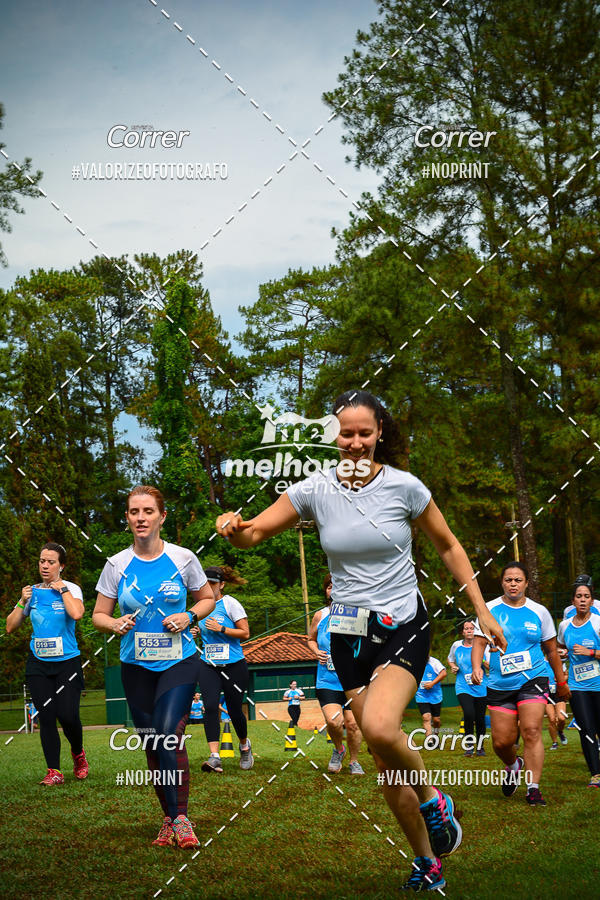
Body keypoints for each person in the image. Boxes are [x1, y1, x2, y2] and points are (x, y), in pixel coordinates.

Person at [216, 389, 506, 893]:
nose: (353, 443)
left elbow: (448, 544)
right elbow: (255, 533)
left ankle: (436, 800)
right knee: (381, 755)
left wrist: (481, 609)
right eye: (345, 434)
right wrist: (233, 529)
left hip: (401, 625)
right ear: (334, 436)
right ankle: (425, 858)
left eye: (363, 433)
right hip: (349, 633)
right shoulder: (314, 489)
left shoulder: (405, 487)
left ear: (379, 435)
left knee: (377, 726)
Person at [92, 485, 215, 848]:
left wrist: (189, 615)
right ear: (127, 518)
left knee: (167, 732)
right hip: (136, 666)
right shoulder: (116, 564)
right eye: (134, 512)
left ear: (162, 516)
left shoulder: (183, 558)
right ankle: (168, 817)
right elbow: (99, 614)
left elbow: (207, 598)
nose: (140, 518)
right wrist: (114, 624)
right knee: (151, 741)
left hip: (179, 660)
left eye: (148, 511)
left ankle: (181, 819)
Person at [472, 561, 569, 807]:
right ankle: (514, 765)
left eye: (518, 580)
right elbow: (479, 643)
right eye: (508, 580)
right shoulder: (488, 609)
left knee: (532, 731)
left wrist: (560, 681)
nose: (513, 584)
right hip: (499, 683)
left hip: (533, 679)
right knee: (501, 742)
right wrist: (475, 667)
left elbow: (551, 650)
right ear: (502, 583)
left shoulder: (539, 612)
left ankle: (533, 788)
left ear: (526, 583)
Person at [6, 542, 88, 785]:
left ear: (61, 566)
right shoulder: (31, 592)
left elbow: (77, 614)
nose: (45, 565)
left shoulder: (71, 588)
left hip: (67, 663)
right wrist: (22, 601)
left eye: (51, 562)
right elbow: (10, 627)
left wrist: (62, 590)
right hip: (38, 664)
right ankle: (54, 771)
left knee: (68, 715)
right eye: (42, 560)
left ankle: (78, 754)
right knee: (46, 716)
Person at [192, 566, 253, 774]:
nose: (209, 587)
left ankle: (244, 746)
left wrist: (223, 629)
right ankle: (215, 756)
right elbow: (203, 634)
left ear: (222, 585)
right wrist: (194, 632)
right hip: (209, 665)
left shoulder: (230, 603)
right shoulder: (200, 607)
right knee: (209, 706)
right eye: (206, 583)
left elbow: (245, 633)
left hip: (234, 665)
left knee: (235, 709)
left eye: (213, 583)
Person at [307, 573, 364, 774]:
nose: (332, 590)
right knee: (333, 721)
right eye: (329, 586)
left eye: (336, 586)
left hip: (352, 680)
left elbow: (363, 644)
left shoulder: (356, 613)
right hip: (327, 679)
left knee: (353, 724)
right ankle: (339, 749)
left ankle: (354, 761)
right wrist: (316, 651)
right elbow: (310, 639)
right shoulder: (320, 616)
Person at [557, 577, 600, 786]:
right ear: (572, 601)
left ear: (592, 601)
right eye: (578, 596)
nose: (582, 600)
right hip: (577, 684)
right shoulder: (564, 626)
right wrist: (562, 653)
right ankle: (595, 773)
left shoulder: (598, 623)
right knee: (586, 728)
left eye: (586, 596)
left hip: (599, 683)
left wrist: (590, 652)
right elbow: (558, 648)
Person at [448, 621, 490, 757]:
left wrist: (482, 662)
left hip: (481, 686)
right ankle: (469, 745)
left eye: (472, 628)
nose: (469, 631)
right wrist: (453, 667)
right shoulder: (456, 646)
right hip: (463, 686)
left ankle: (480, 747)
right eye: (466, 629)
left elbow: (490, 667)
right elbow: (450, 660)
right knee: (469, 713)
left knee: (480, 718)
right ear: (463, 632)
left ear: (475, 631)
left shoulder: (484, 646)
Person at [415, 656, 447, 738]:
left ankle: (435, 737)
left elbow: (443, 673)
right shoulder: (414, 661)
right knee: (426, 717)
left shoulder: (434, 662)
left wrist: (432, 683)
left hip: (435, 696)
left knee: (436, 720)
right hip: (421, 695)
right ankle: (429, 741)